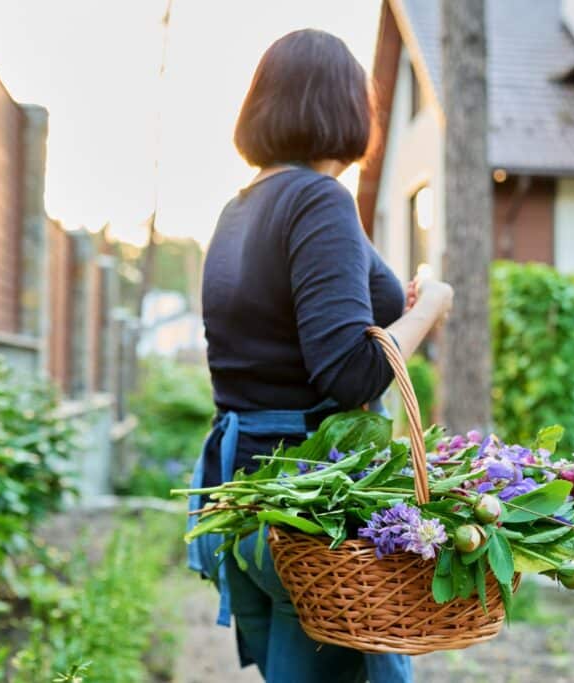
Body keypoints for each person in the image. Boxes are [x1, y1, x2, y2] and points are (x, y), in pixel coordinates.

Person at [188, 28, 453, 683]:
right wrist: (429, 308)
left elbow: (282, 344)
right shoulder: (318, 200)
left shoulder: (238, 209)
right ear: (345, 107)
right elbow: (346, 373)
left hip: (253, 495)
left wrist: (395, 308)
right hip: (313, 501)